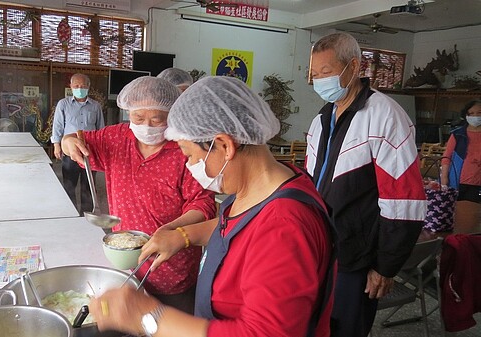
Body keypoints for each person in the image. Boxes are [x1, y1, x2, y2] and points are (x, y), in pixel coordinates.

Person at [86, 76, 335, 337]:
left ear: (225, 145)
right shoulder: (263, 188)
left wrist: (149, 316)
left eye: (191, 155)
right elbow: (241, 229)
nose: (191, 167)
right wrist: (184, 236)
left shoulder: (284, 225)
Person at [306, 32, 427, 337]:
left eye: (327, 72)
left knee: (345, 329)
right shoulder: (321, 119)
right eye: (315, 74)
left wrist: (386, 266)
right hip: (318, 249)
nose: (320, 80)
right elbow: (311, 182)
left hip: (355, 258)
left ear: (354, 67)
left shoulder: (384, 116)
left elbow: (405, 202)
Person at [61, 76, 216, 313]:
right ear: (128, 113)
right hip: (125, 261)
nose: (147, 126)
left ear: (172, 115)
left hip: (171, 266)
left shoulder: (185, 148)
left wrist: (171, 230)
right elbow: (73, 139)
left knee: (168, 323)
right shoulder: (116, 138)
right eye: (138, 118)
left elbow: (203, 204)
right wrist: (68, 142)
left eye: (157, 119)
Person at [51, 73, 105, 213]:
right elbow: (57, 126)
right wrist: (56, 144)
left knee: (88, 185)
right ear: (71, 87)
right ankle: (70, 212)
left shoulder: (95, 106)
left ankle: (86, 214)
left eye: (83, 86)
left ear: (88, 87)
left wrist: (102, 150)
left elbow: (101, 128)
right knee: (69, 183)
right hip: (70, 150)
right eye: (76, 86)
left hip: (90, 151)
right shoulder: (63, 104)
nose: (79, 88)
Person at [441, 100, 481, 203]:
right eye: (471, 113)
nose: (475, 116)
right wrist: (444, 178)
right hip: (458, 181)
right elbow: (447, 157)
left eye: (479, 113)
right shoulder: (457, 134)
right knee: (458, 212)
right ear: (466, 115)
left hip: (478, 184)